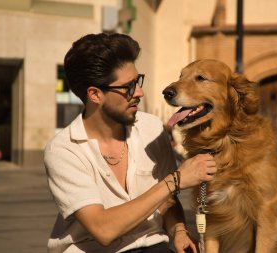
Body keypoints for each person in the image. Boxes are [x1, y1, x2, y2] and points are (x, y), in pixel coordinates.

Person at [44, 33, 217, 253]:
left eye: (138, 81)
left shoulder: (151, 128)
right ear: (95, 94)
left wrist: (179, 231)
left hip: (153, 245)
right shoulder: (63, 150)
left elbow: (167, 203)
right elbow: (103, 229)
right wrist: (175, 180)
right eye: (128, 87)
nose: (139, 92)